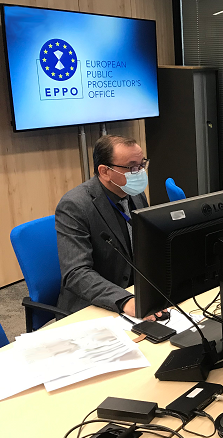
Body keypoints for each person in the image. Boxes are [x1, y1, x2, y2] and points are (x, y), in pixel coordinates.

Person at [55, 135, 164, 320]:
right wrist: (125, 300)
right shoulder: (75, 205)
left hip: (135, 292)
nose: (139, 173)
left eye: (141, 164)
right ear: (105, 171)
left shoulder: (135, 195)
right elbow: (76, 273)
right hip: (93, 305)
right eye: (132, 167)